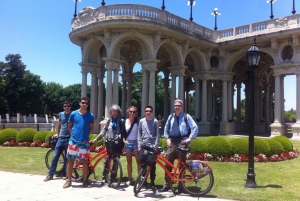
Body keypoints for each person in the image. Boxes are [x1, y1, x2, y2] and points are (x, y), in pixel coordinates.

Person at [159, 99, 198, 194]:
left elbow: (195, 127)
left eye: (179, 106)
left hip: (182, 142)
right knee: (168, 163)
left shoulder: (186, 116)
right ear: (174, 107)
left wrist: (189, 139)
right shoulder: (171, 117)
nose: (177, 107)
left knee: (182, 165)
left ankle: (181, 186)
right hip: (172, 141)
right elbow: (166, 128)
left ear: (182, 107)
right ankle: (167, 184)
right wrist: (167, 139)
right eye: (175, 105)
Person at [63, 97, 94, 188]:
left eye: (86, 103)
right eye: (83, 103)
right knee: (71, 160)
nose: (85, 105)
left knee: (85, 162)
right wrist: (73, 135)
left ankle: (85, 181)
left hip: (84, 143)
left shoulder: (90, 115)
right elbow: (69, 126)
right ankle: (69, 181)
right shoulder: (73, 114)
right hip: (73, 142)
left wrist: (85, 135)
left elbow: (91, 128)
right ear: (80, 103)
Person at [91, 104, 125, 183]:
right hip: (109, 142)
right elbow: (104, 130)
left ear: (118, 112)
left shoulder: (121, 121)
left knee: (116, 161)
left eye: (116, 111)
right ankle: (105, 176)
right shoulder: (109, 120)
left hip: (116, 142)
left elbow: (123, 131)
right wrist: (97, 138)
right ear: (111, 112)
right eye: (113, 111)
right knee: (106, 159)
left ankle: (113, 177)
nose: (114, 113)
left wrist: (120, 136)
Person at [44, 101, 72, 182]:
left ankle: (65, 174)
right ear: (63, 107)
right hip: (61, 138)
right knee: (55, 157)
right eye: (65, 106)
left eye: (68, 106)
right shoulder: (61, 114)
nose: (66, 107)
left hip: (68, 138)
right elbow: (59, 124)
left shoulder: (73, 114)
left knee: (67, 158)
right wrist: (57, 133)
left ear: (70, 107)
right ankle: (50, 175)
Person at [138, 105, 160, 188]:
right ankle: (144, 182)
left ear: (152, 112)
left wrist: (156, 145)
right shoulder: (141, 121)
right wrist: (139, 144)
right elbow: (139, 133)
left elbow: (157, 134)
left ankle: (152, 182)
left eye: (150, 111)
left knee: (152, 165)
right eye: (147, 111)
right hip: (144, 145)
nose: (148, 112)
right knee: (143, 164)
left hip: (152, 145)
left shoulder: (155, 121)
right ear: (144, 112)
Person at [123, 106, 140, 186]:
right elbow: (123, 132)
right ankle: (130, 179)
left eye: (134, 112)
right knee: (129, 162)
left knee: (138, 162)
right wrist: (123, 140)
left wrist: (139, 142)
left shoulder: (138, 122)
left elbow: (141, 132)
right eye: (131, 111)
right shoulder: (125, 121)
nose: (132, 113)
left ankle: (139, 180)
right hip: (128, 143)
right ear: (128, 112)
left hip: (136, 143)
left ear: (135, 113)